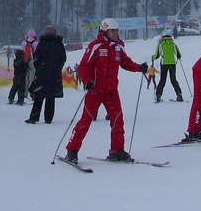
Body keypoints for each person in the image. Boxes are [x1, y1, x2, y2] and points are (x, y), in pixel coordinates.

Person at [63, 19, 147, 164]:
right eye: (113, 31)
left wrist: (140, 67)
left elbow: (126, 63)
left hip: (111, 92)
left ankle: (117, 151)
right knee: (86, 121)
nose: (116, 33)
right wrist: (88, 81)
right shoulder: (95, 46)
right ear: (105, 31)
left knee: (118, 121)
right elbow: (84, 66)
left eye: (117, 30)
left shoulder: (118, 47)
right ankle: (72, 151)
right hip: (95, 91)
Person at [26, 25, 66, 124]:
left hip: (42, 73)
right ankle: (48, 118)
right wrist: (57, 68)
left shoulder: (42, 43)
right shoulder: (59, 44)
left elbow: (36, 58)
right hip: (54, 74)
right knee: (51, 97)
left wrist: (40, 68)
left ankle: (34, 117)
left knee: (39, 95)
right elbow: (63, 58)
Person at [152, 31, 183, 102]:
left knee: (162, 80)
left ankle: (158, 96)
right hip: (172, 64)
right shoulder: (173, 44)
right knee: (173, 80)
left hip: (164, 64)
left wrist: (153, 57)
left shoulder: (160, 45)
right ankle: (179, 94)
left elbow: (156, 56)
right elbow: (179, 55)